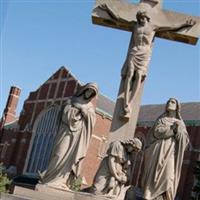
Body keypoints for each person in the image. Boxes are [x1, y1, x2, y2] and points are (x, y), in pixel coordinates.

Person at [99, 3, 195, 119]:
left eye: (143, 18)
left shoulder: (153, 27)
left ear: (147, 18)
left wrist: (184, 24)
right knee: (129, 74)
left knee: (139, 75)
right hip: (134, 51)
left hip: (144, 53)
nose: (141, 20)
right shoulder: (135, 26)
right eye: (139, 18)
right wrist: (108, 9)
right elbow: (118, 18)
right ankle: (125, 101)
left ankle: (130, 103)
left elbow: (171, 27)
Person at [40, 82, 98, 189]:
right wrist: (77, 109)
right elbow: (64, 114)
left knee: (70, 159)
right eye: (88, 90)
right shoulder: (71, 100)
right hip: (66, 131)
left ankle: (62, 181)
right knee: (59, 154)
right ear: (84, 90)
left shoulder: (89, 107)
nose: (89, 93)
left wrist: (83, 109)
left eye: (92, 93)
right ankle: (50, 179)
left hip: (77, 136)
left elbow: (91, 120)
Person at [141, 98, 189, 200]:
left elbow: (185, 140)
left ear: (177, 107)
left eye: (173, 102)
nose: (169, 103)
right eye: (168, 102)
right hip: (158, 151)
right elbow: (157, 132)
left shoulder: (180, 123)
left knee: (168, 177)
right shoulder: (161, 120)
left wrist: (179, 130)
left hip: (170, 152)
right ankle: (150, 194)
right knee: (153, 175)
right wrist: (173, 129)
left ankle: (164, 197)